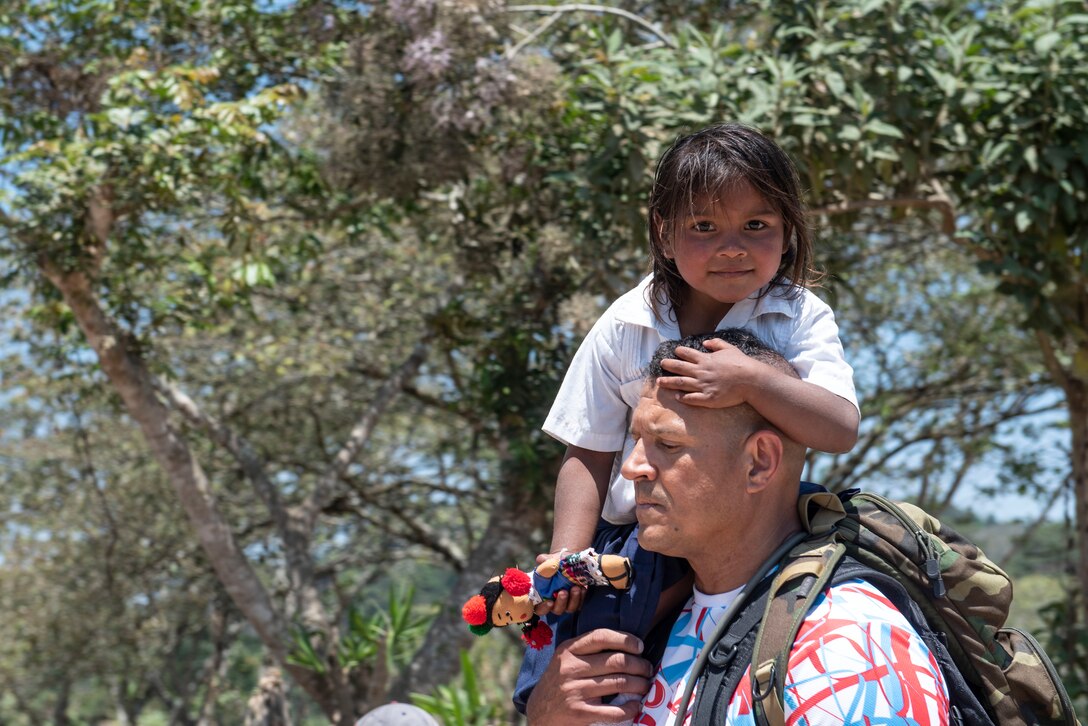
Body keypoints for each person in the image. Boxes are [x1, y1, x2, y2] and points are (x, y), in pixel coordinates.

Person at [526, 330, 949, 725]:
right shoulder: (652, 623)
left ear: (759, 463)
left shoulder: (846, 647)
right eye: (636, 442)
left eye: (669, 445)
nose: (634, 468)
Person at [538, 122, 859, 627]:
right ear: (665, 235)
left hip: (759, 537)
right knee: (577, 652)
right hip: (643, 545)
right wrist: (566, 561)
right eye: (704, 227)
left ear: (788, 231)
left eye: (757, 226)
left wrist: (752, 381)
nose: (732, 247)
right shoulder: (625, 324)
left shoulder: (800, 316)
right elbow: (588, 451)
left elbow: (839, 429)